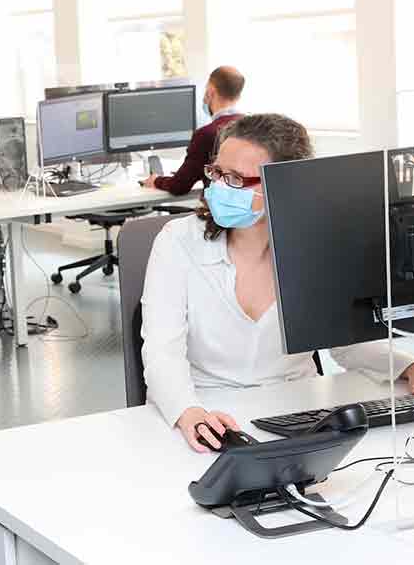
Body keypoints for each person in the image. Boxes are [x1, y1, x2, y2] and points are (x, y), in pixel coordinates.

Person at [141, 113, 414, 452]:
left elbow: (344, 341)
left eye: (238, 179)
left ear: (284, 187)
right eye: (217, 173)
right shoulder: (177, 242)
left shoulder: (318, 245)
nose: (220, 187)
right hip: (207, 408)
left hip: (298, 409)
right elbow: (161, 350)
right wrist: (187, 411)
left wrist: (405, 366)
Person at [142, 65, 244, 195]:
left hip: (217, 212)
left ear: (210, 92)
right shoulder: (253, 127)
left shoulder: (206, 134)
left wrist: (156, 180)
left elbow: (179, 186)